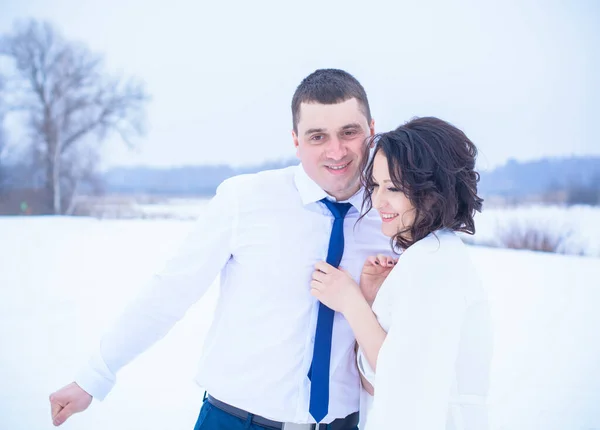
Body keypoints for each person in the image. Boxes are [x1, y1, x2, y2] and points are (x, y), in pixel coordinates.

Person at [48, 69, 394, 429]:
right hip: (234, 420)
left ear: (371, 128)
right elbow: (170, 291)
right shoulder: (244, 200)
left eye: (349, 132)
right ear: (295, 140)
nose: (336, 151)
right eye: (317, 136)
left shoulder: (391, 219)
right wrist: (94, 375)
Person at [310, 117, 494, 429]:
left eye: (393, 187)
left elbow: (404, 381)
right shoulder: (428, 257)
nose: (378, 201)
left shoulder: (434, 264)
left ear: (432, 191)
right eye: (376, 185)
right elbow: (380, 383)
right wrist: (371, 301)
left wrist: (350, 303)